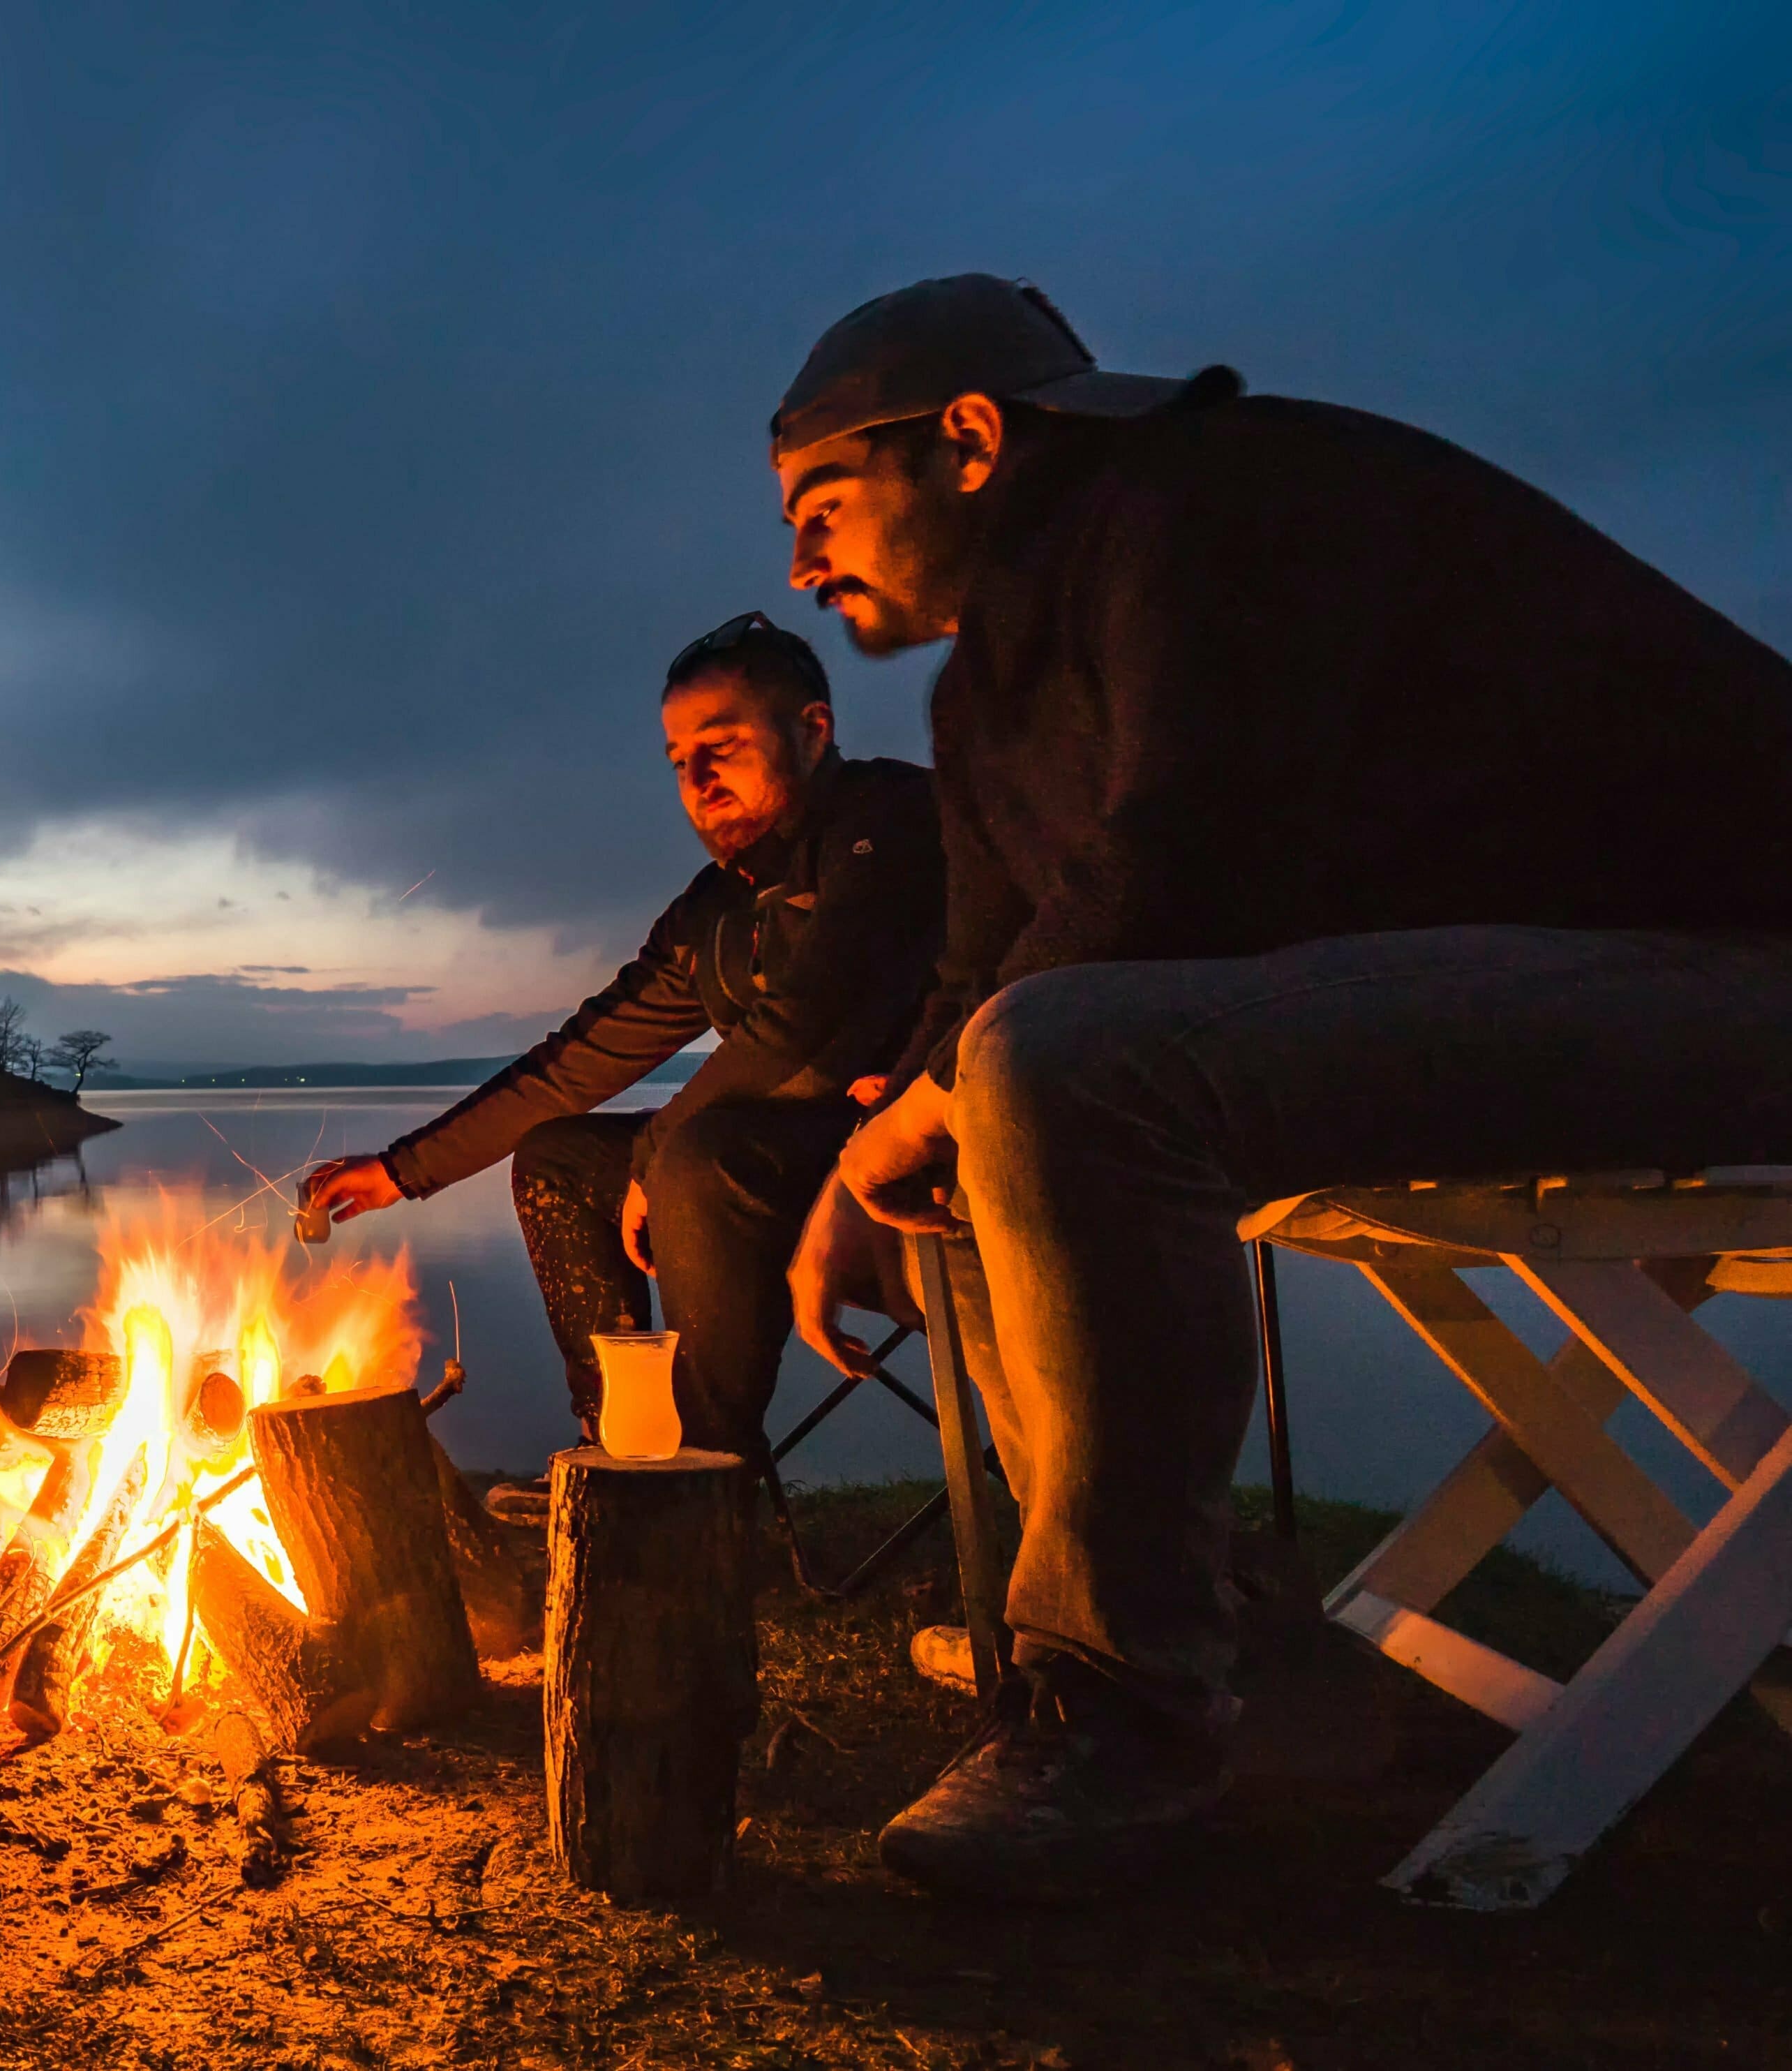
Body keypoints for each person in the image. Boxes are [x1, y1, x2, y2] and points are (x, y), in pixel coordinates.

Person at [765, 274, 1792, 1899]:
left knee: (1062, 1062)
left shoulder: (1212, 496)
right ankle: (1201, 1632)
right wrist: (856, 1167)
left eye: (822, 502)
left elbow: (1189, 859)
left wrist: (958, 1077)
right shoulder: (981, 701)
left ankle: (1126, 1714)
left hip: (1730, 959)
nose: (801, 560)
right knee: (988, 1091)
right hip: (1524, 989)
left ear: (967, 440)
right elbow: (980, 977)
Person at [299, 616, 941, 1465]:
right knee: (559, 1157)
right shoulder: (710, 912)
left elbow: (803, 1019)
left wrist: (659, 1149)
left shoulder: (890, 820)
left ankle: (704, 1475)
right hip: (756, 1165)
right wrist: (401, 1170)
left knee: (694, 1156)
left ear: (812, 730)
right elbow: (573, 1065)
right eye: (679, 760)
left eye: (723, 744)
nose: (698, 778)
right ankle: (616, 1450)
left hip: (915, 1157)